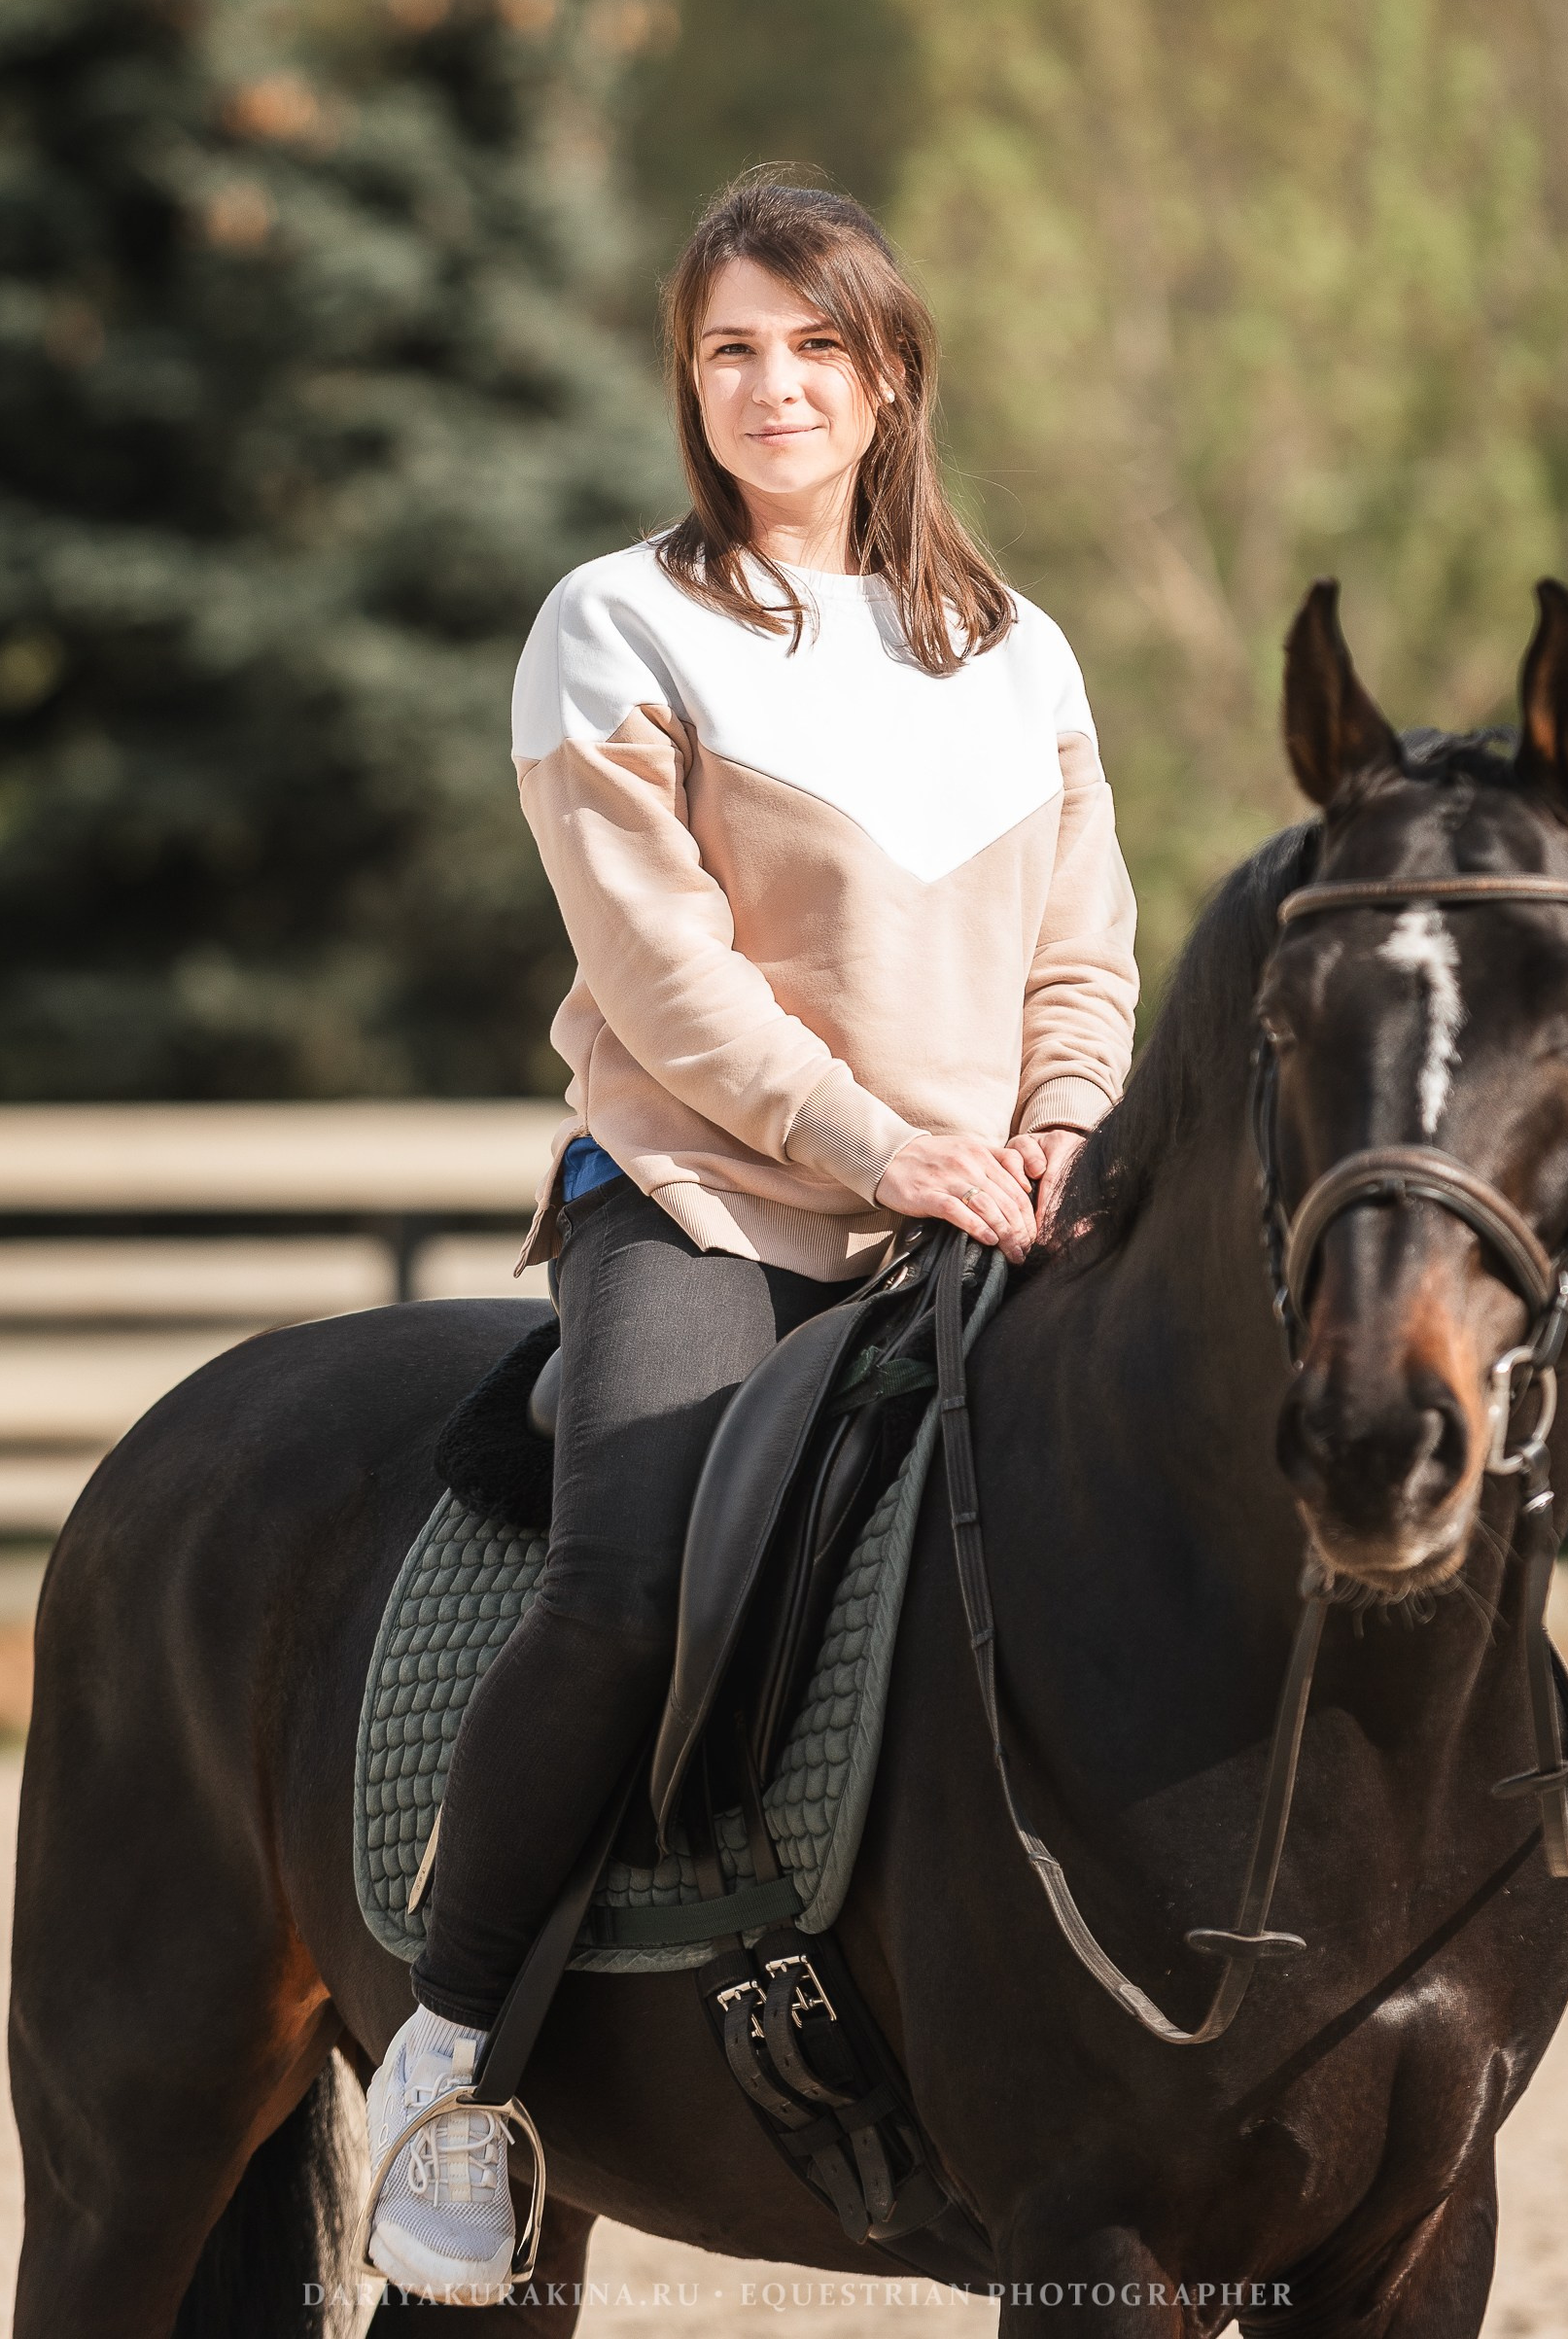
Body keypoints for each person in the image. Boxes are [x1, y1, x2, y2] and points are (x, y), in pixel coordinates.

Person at [364, 175, 1139, 2300]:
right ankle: (447, 2055)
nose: (772, 387)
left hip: (990, 1204)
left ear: (890, 380)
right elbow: (675, 987)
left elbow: (1084, 953)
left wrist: (1060, 1131)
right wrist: (890, 1147)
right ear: (689, 386)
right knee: (627, 1579)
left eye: (815, 348)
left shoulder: (1016, 649)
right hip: (713, 1190)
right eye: (731, 351)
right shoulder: (614, 625)